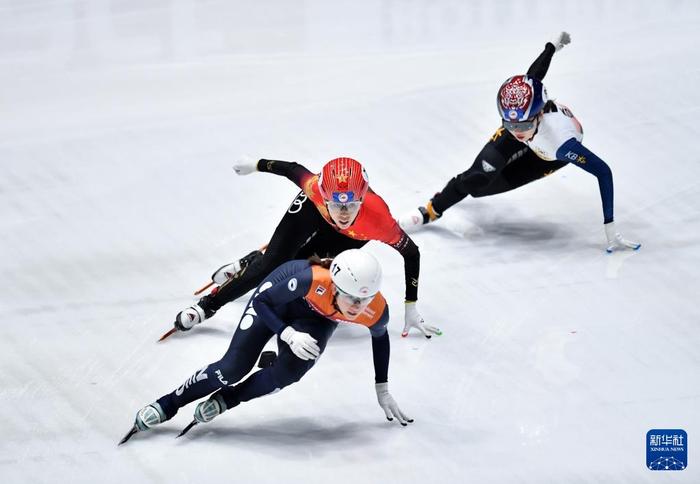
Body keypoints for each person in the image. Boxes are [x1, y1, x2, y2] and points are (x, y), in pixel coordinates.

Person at [121, 250, 412, 443]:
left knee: (287, 374)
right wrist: (286, 335)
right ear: (335, 285)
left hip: (315, 320)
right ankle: (168, 403)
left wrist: (382, 388)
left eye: (364, 300)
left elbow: (380, 338)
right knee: (231, 368)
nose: (357, 308)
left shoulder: (375, 308)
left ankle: (228, 399)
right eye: (351, 298)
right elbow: (262, 303)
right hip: (276, 302)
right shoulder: (310, 280)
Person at [399, 32, 640, 253]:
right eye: (509, 124)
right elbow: (533, 75)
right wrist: (552, 46)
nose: (517, 133)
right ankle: (431, 210)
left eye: (522, 126)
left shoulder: (563, 144)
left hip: (546, 155)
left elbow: (603, 172)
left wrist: (610, 227)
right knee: (477, 178)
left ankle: (461, 193)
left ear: (540, 113)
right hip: (537, 133)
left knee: (483, 192)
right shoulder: (520, 120)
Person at [174, 156, 440, 339]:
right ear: (324, 196)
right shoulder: (314, 189)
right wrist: (255, 165)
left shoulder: (380, 220)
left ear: (362, 198)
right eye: (337, 204)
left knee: (302, 268)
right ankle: (207, 306)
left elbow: (412, 253)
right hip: (313, 212)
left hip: (356, 233)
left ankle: (250, 261)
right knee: (271, 266)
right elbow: (292, 168)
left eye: (351, 204)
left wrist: (410, 306)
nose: (344, 213)